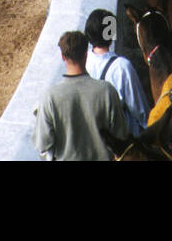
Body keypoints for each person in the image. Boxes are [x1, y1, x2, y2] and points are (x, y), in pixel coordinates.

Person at [33, 30, 129, 161]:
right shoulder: (107, 91)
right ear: (86, 55)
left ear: (62, 56)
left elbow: (42, 145)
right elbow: (121, 138)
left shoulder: (50, 97)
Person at [84, 8, 151, 136]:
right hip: (122, 142)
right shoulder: (122, 66)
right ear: (111, 34)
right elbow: (139, 109)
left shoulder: (82, 62)